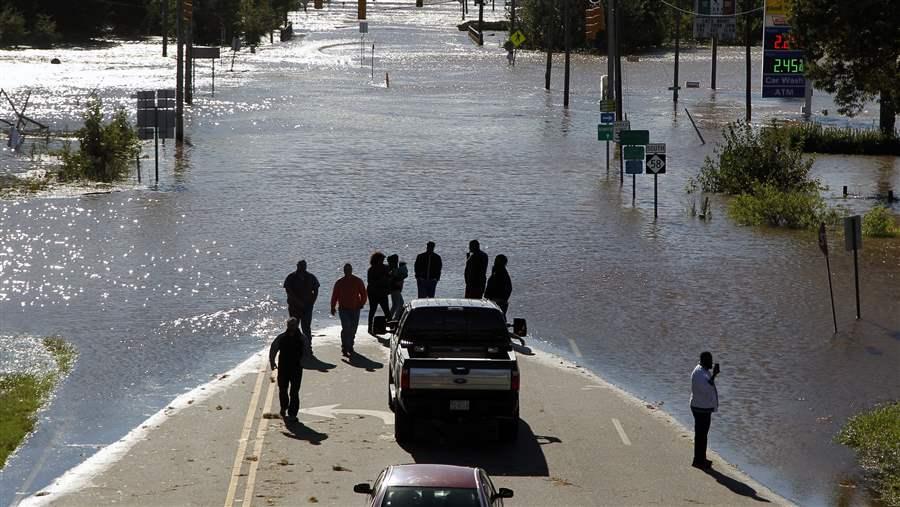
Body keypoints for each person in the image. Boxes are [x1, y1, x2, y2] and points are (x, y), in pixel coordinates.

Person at [269, 317, 305, 422]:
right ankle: (283, 407)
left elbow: (306, 351)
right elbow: (273, 349)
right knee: (283, 389)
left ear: (297, 325)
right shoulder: (281, 338)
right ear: (287, 325)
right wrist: (272, 362)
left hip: (297, 368)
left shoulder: (302, 338)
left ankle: (293, 413)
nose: (292, 327)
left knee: (294, 392)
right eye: (290, 325)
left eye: (293, 325)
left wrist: (304, 362)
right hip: (283, 368)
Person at [690, 351, 720, 470]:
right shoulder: (699, 373)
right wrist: (714, 375)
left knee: (702, 434)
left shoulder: (702, 370)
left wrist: (713, 374)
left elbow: (708, 386)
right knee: (701, 435)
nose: (711, 363)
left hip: (702, 407)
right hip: (700, 408)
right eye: (709, 360)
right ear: (703, 361)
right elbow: (707, 388)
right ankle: (698, 461)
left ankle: (701, 459)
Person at [331, 263, 367, 356]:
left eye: (349, 269)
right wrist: (332, 307)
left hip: (355, 309)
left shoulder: (357, 281)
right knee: (346, 327)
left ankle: (350, 345)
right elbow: (334, 296)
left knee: (353, 329)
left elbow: (364, 294)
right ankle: (344, 347)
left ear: (351, 270)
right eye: (346, 270)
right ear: (344, 271)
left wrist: (361, 304)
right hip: (343, 309)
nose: (347, 271)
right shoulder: (339, 282)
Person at [283, 260, 319, 353]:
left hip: (307, 307)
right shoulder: (291, 277)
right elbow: (288, 291)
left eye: (304, 265)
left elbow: (316, 289)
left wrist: (313, 301)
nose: (303, 267)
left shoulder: (311, 277)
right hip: (294, 307)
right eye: (301, 265)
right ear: (297, 266)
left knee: (306, 328)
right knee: (293, 327)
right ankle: (292, 346)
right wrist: (297, 302)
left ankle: (308, 347)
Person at [367, 251, 391, 335]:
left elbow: (389, 278)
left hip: (381, 292)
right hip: (374, 293)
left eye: (383, 260)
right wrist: (382, 280)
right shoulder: (371, 269)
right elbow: (370, 282)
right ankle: (370, 327)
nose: (382, 261)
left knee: (386, 310)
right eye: (381, 259)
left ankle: (391, 326)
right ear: (377, 260)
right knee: (373, 310)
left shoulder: (385, 268)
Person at [387, 254, 408, 319]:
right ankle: (396, 318)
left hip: (394, 289)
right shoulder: (392, 269)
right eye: (396, 260)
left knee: (395, 305)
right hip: (395, 289)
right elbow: (395, 278)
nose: (397, 261)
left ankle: (389, 318)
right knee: (401, 303)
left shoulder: (393, 268)